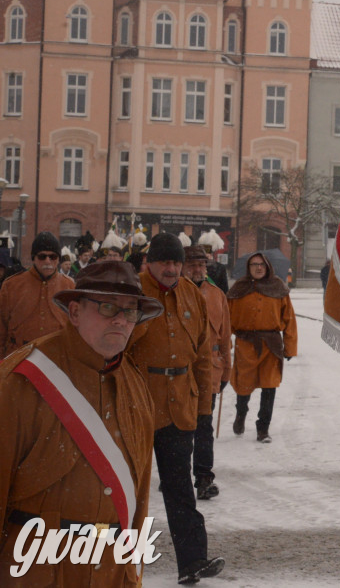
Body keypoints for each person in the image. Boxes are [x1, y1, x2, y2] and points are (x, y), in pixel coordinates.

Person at [0, 260, 163, 585]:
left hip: (111, 571)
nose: (120, 319)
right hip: (37, 570)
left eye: (130, 310)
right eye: (107, 307)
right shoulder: (20, 380)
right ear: (74, 312)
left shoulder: (135, 385)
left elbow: (139, 497)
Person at [126, 232, 224, 584]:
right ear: (149, 262)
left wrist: (203, 406)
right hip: (137, 405)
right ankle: (117, 563)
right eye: (164, 262)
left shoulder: (192, 295)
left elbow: (202, 354)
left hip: (179, 404)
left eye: (176, 262)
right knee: (127, 489)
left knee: (180, 487)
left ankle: (192, 561)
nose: (171, 269)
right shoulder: (132, 292)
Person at [228, 252, 297, 444]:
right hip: (245, 344)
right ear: (248, 267)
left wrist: (290, 347)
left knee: (269, 386)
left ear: (267, 267)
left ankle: (263, 429)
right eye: (254, 264)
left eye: (262, 265)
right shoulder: (238, 289)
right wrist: (224, 344)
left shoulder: (278, 288)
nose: (258, 268)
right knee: (243, 386)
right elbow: (226, 320)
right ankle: (241, 413)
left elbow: (289, 320)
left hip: (271, 345)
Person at [184, 246, 232, 500]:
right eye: (192, 265)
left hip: (209, 369)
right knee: (178, 427)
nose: (198, 269)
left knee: (204, 425)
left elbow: (225, 336)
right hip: (179, 369)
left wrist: (226, 370)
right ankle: (177, 475)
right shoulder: (174, 293)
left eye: (201, 264)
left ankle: (204, 477)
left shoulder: (216, 295)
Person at [0, 231, 76, 357]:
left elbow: (76, 329)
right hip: (18, 357)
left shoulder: (69, 286)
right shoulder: (11, 285)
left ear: (58, 259)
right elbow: (1, 328)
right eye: (42, 256)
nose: (47, 261)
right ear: (33, 258)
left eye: (53, 257)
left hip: (57, 359)